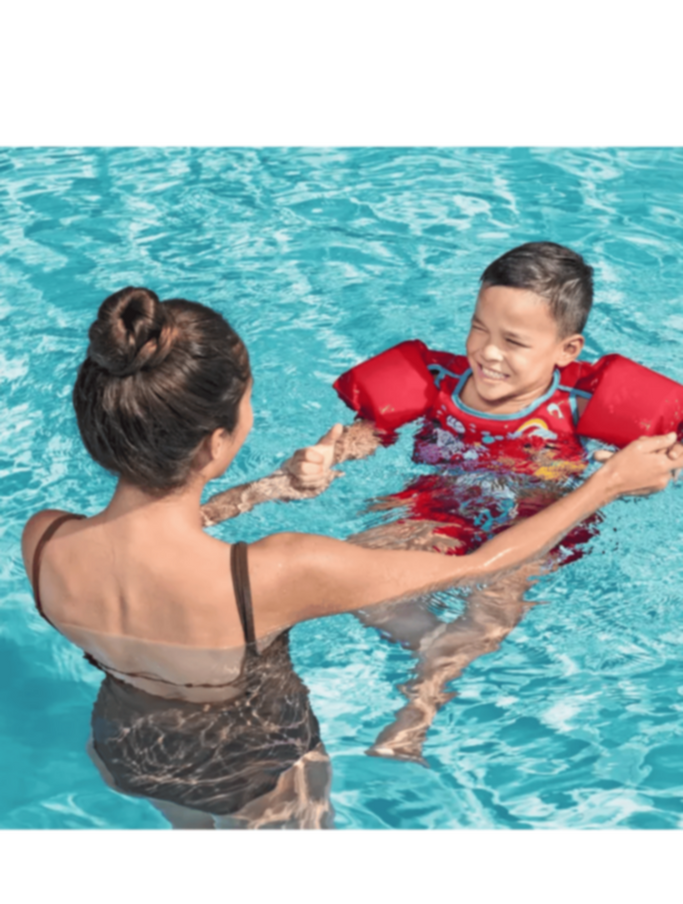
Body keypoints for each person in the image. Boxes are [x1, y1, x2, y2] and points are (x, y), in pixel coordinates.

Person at [21, 286, 683, 827]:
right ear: (216, 443)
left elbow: (150, 539)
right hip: (256, 768)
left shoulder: (45, 539)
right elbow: (480, 564)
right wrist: (606, 484)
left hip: (128, 750)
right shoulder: (278, 572)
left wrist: (261, 491)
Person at [275, 241, 683, 762]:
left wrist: (667, 462)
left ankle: (418, 709)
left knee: (492, 608)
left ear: (567, 350)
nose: (489, 353)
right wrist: (325, 456)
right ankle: (438, 643)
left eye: (514, 341)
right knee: (357, 574)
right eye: (479, 328)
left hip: (541, 516)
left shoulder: (581, 404)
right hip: (440, 503)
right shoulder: (437, 383)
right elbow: (362, 435)